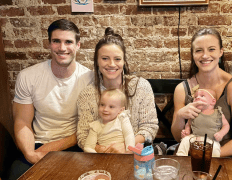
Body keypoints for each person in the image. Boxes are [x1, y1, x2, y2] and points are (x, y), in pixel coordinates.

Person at [8, 19, 93, 179]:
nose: (62, 48)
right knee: (16, 174)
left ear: (78, 45)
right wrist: (30, 154)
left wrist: (52, 150)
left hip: (77, 144)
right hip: (39, 143)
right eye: (56, 41)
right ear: (48, 44)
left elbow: (89, 127)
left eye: (68, 42)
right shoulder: (28, 76)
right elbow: (22, 122)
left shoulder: (89, 78)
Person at [171, 28, 232, 157]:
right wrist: (180, 116)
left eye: (211, 49)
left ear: (221, 52)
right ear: (193, 55)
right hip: (190, 155)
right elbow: (177, 137)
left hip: (223, 156)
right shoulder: (182, 89)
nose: (205, 55)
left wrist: (210, 156)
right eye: (199, 50)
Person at [77, 27, 158, 153]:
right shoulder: (87, 95)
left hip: (135, 155)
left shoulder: (141, 86)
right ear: (97, 62)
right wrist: (103, 149)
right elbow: (82, 136)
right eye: (105, 58)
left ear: (124, 61)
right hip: (99, 156)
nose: (111, 64)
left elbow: (150, 128)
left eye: (117, 59)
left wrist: (126, 145)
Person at [176, 88, 230, 157]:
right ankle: (181, 157)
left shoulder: (218, 113)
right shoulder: (194, 112)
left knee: (216, 149)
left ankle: (214, 162)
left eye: (202, 96)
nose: (198, 97)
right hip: (194, 137)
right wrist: (187, 131)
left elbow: (226, 125)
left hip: (211, 140)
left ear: (213, 101)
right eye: (195, 97)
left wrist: (221, 133)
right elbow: (188, 124)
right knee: (185, 140)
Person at [84, 89, 135, 153]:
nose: (105, 109)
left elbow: (129, 135)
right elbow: (88, 147)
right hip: (104, 158)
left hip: (123, 154)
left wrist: (129, 151)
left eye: (111, 107)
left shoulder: (122, 118)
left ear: (121, 110)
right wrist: (98, 155)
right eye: (102, 105)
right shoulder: (95, 126)